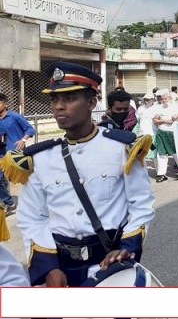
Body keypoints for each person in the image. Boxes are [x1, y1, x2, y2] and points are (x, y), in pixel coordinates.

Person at [1, 61, 155, 287]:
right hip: (59, 270)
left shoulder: (123, 149)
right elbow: (32, 216)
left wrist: (126, 248)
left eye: (69, 99)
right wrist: (48, 267)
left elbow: (141, 204)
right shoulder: (41, 157)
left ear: (92, 103)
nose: (59, 107)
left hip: (107, 266)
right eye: (54, 100)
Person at [0, 92, 35, 215]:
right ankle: (9, 203)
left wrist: (23, 139)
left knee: (24, 180)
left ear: (5, 104)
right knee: (1, 179)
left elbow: (30, 129)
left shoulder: (15, 116)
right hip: (1, 155)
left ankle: (34, 201)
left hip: (15, 155)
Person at [153, 88, 178, 182]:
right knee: (161, 153)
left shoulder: (176, 106)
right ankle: (162, 174)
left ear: (169, 97)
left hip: (172, 132)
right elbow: (155, 119)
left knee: (175, 152)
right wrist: (164, 121)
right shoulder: (159, 107)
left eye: (165, 98)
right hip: (161, 132)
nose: (163, 101)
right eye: (162, 99)